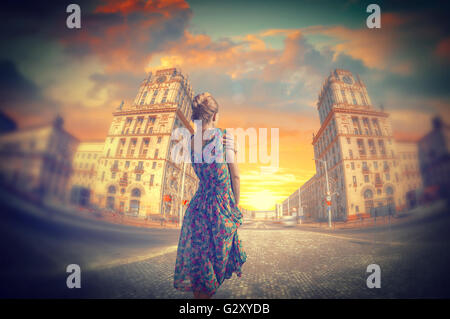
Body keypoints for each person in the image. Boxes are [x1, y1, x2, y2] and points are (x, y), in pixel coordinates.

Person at [173, 92, 247, 299]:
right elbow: (236, 175)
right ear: (214, 116)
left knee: (201, 269)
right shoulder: (223, 137)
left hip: (198, 208)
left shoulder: (191, 142)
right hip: (219, 208)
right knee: (216, 268)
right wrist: (235, 206)